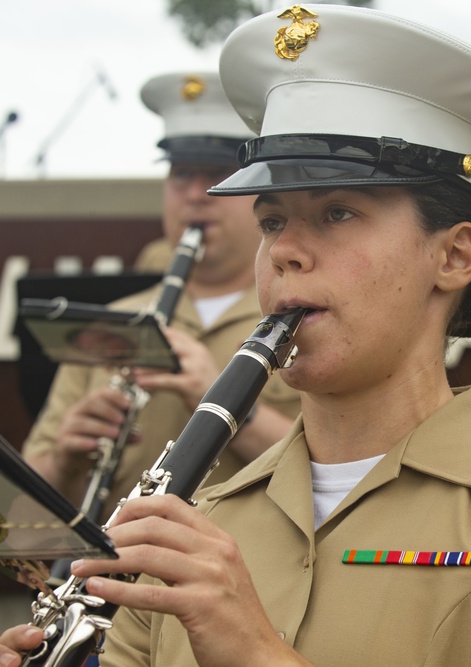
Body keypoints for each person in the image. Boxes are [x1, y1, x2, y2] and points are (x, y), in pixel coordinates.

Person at [0, 5, 471, 665]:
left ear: (455, 256)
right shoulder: (189, 523)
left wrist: (256, 651)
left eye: (338, 213)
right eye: (272, 221)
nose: (285, 251)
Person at [22, 70, 301, 516]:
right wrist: (65, 459)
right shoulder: (113, 320)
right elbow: (24, 509)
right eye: (180, 175)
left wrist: (227, 406)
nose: (194, 195)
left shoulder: (302, 314)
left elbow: (336, 473)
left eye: (216, 175)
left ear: (260, 188)